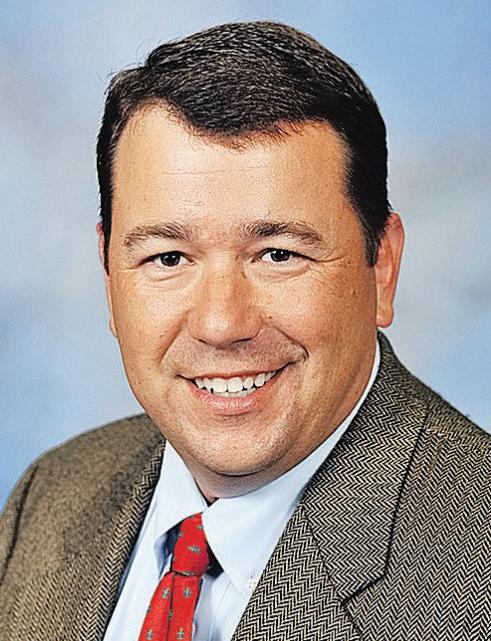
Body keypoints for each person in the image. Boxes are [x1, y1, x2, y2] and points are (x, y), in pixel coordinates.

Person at [0, 21, 489, 641]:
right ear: (108, 273)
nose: (221, 324)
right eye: (167, 258)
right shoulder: (50, 496)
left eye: (278, 254)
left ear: (382, 266)